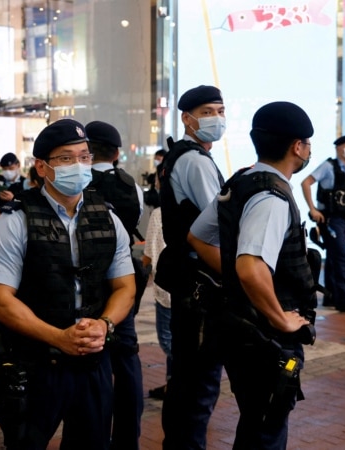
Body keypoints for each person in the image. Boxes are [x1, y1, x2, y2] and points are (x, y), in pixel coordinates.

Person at [0, 118, 136, 450]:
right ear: (41, 167)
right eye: (66, 158)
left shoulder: (107, 219)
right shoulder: (16, 220)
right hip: (35, 363)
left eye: (84, 156)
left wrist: (105, 324)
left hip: (92, 360)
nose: (79, 165)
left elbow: (125, 286)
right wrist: (58, 337)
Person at [188, 101, 318, 449]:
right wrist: (281, 318)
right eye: (307, 142)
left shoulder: (242, 180)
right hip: (264, 333)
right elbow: (250, 267)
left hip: (241, 326)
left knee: (257, 420)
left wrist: (236, 278)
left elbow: (198, 237)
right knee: (266, 427)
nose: (308, 148)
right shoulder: (272, 196)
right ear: (297, 146)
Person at [158, 85, 226, 450]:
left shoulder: (180, 155)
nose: (216, 118)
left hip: (189, 278)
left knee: (186, 378)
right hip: (200, 281)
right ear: (187, 118)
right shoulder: (195, 161)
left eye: (220, 110)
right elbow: (215, 221)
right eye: (207, 111)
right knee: (198, 383)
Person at [84, 119, 144, 450]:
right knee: (127, 360)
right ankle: (128, 440)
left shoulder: (78, 184)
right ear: (118, 153)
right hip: (124, 282)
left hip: (90, 284)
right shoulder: (130, 184)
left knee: (93, 365)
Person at [300, 135, 345, 313]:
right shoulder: (329, 166)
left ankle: (330, 295)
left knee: (333, 258)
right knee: (341, 258)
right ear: (338, 148)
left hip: (342, 220)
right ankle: (344, 299)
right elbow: (306, 182)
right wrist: (313, 209)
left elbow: (344, 197)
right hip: (330, 220)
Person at [142, 169, 171, 400]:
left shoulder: (160, 215)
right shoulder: (198, 211)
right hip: (195, 289)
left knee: (168, 339)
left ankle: (183, 380)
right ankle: (175, 383)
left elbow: (148, 256)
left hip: (166, 290)